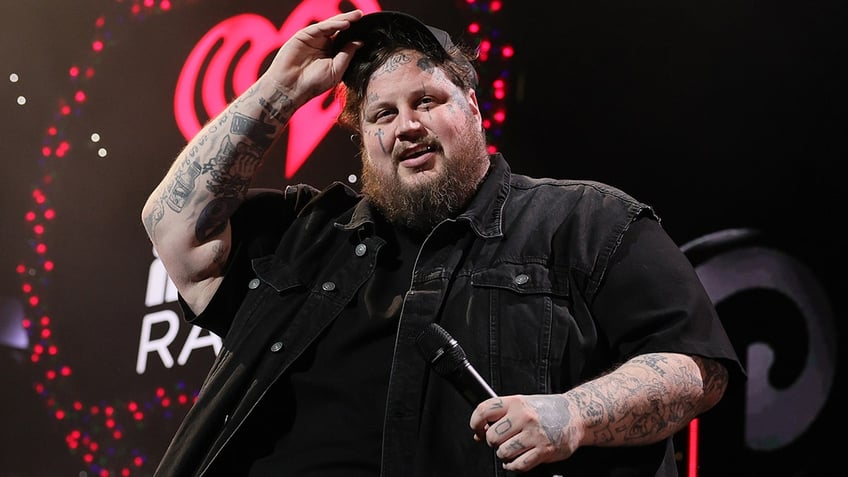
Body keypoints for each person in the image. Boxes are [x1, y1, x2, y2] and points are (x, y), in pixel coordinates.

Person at [141, 9, 744, 477]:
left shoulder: (585, 221)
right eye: (381, 115)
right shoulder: (305, 231)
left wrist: (573, 416)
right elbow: (174, 229)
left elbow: (697, 367)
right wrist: (279, 89)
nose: (406, 125)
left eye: (426, 101)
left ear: (474, 108)